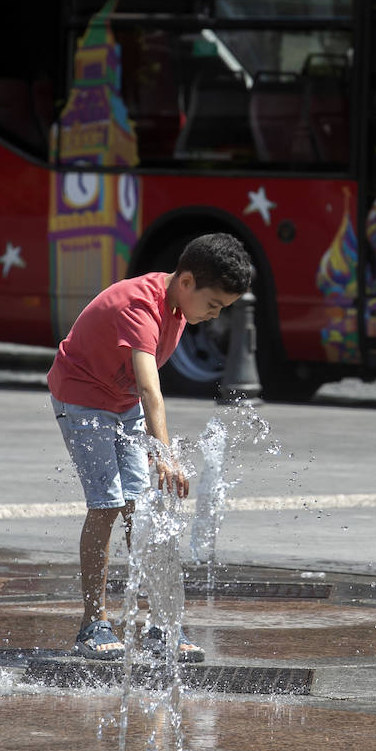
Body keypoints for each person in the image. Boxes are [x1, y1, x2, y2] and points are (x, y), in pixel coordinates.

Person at [48, 232, 252, 661]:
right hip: (83, 400)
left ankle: (163, 625)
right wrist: (165, 453)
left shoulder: (178, 305)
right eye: (213, 305)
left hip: (119, 404)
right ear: (188, 282)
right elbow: (149, 388)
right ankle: (93, 624)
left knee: (145, 511)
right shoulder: (140, 305)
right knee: (106, 505)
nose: (214, 317)